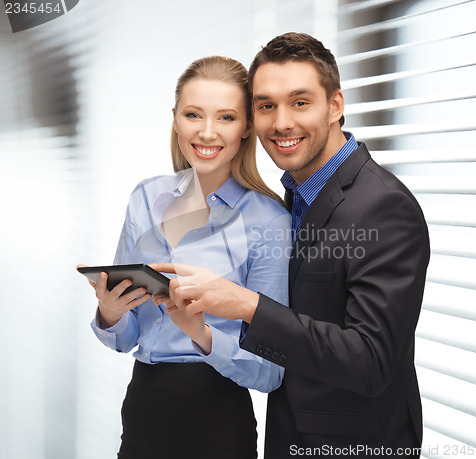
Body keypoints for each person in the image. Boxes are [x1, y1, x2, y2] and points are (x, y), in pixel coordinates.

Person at [152, 33, 430, 458]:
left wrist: (247, 305)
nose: (281, 122)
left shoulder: (383, 206)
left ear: (335, 106)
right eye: (266, 106)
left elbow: (372, 361)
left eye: (300, 102)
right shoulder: (295, 198)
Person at [77, 55, 291, 459]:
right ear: (176, 119)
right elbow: (127, 338)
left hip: (217, 420)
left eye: (226, 117)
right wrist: (110, 313)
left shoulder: (268, 221)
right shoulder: (145, 198)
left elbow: (271, 372)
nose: (207, 132)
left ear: (246, 127)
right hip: (143, 408)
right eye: (194, 114)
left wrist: (201, 333)